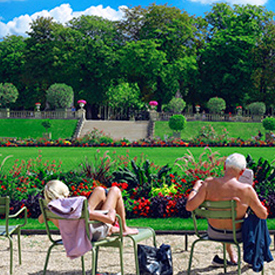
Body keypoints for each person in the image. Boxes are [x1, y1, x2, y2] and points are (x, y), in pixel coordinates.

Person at [186, 153, 268, 265]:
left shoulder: (208, 184)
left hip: (213, 232)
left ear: (224, 166)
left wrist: (195, 188)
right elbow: (263, 215)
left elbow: (189, 206)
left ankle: (232, 256)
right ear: (242, 172)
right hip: (237, 235)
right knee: (252, 219)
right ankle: (253, 256)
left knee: (225, 217)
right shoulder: (246, 190)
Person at [38, 180, 138, 239]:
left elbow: (40, 220)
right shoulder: (72, 207)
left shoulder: (52, 210)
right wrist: (111, 213)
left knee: (99, 190)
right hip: (91, 232)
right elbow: (107, 218)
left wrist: (47, 212)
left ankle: (118, 227)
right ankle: (124, 228)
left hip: (80, 231)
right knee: (115, 190)